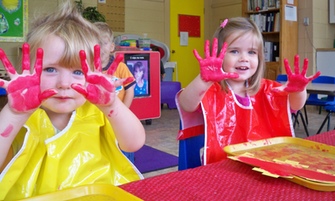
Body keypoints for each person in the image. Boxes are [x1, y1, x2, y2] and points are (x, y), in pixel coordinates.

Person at [0, 1, 145, 200]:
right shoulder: (22, 119)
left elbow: (134, 143)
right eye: (50, 69)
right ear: (26, 68)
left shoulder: (97, 113)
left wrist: (112, 106)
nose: (64, 83)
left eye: (78, 71)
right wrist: (14, 114)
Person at [177, 17, 320, 165]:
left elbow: (295, 105)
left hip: (262, 165)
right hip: (221, 169)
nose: (244, 58)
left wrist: (298, 91)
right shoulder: (212, 90)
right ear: (219, 55)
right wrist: (203, 80)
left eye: (251, 52)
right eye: (234, 51)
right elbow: (186, 104)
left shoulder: (267, 89)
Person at [94, 22, 136, 108]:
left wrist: (124, 111)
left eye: (104, 43)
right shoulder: (89, 69)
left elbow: (130, 91)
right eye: (96, 43)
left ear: (111, 47)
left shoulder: (121, 67)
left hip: (116, 114)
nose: (100, 47)